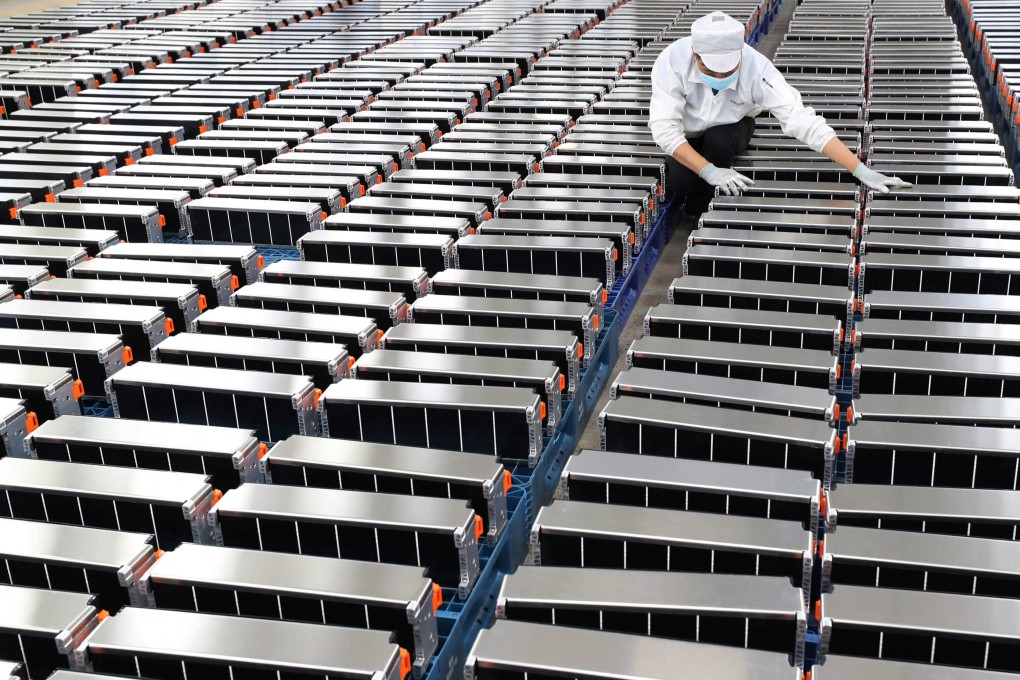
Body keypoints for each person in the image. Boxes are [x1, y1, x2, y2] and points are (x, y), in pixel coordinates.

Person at [649, 11, 911, 225]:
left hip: (733, 127)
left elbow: (801, 120)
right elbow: (664, 129)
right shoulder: (671, 61)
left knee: (719, 141)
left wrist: (860, 169)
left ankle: (704, 207)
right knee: (681, 181)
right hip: (687, 132)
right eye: (710, 70)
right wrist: (707, 170)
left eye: (727, 70)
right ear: (695, 55)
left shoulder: (758, 69)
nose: (719, 78)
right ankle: (698, 183)